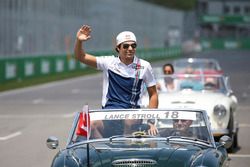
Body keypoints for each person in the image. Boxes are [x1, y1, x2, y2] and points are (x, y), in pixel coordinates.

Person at [74, 25, 158, 138]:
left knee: (129, 121)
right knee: (91, 125)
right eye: (126, 46)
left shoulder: (144, 66)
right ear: (118, 48)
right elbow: (81, 57)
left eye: (133, 45)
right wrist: (79, 41)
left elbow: (153, 94)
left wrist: (151, 120)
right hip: (109, 113)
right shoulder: (108, 62)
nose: (130, 48)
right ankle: (104, 153)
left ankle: (125, 151)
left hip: (132, 113)